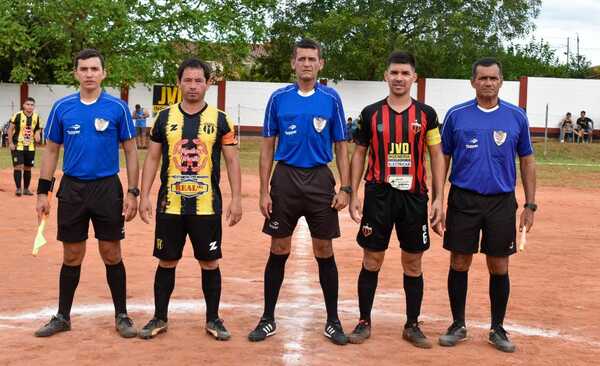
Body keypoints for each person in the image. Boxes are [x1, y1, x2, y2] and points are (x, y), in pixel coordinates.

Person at [247, 38, 351, 345]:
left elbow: (341, 147)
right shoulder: (278, 98)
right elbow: (267, 147)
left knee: (324, 250)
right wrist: (264, 190)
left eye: (312, 59)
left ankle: (333, 320)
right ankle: (268, 318)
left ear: (321, 64)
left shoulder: (331, 99)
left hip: (320, 179)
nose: (307, 64)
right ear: (293, 63)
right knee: (278, 248)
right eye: (302, 59)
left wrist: (344, 187)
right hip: (286, 179)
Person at [34, 48, 139, 338]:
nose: (89, 74)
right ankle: (62, 316)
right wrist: (43, 192)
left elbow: (131, 150)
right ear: (75, 73)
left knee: (111, 252)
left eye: (95, 69)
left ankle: (122, 315)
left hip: (107, 188)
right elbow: (51, 150)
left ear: (104, 73)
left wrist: (132, 191)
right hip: (73, 189)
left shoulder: (117, 108)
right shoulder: (62, 107)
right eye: (84, 69)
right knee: (72, 255)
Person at [137, 58, 242, 340]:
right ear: (179, 82)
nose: (193, 86)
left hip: (207, 207)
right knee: (166, 261)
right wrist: (144, 195)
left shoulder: (221, 119)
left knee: (210, 262)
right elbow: (152, 158)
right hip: (169, 205)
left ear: (208, 83)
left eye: (199, 81)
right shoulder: (164, 118)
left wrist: (236, 199)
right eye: (188, 80)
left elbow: (232, 162)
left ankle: (213, 319)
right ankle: (159, 317)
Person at [346, 51, 445, 348]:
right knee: (371, 258)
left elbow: (436, 155)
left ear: (414, 77)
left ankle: (412, 324)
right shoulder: (370, 113)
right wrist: (353, 192)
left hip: (414, 197)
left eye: (405, 73)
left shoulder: (426, 115)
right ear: (386, 76)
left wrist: (440, 196)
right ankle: (364, 321)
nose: (399, 78)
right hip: (378, 195)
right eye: (394, 73)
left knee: (413, 262)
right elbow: (360, 153)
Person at [439, 58, 536, 353]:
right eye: (482, 78)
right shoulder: (456, 115)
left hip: (501, 201)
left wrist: (530, 205)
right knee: (459, 262)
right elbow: (443, 157)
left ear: (501, 81)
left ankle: (497, 328)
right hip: (463, 198)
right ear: (473, 82)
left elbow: (527, 161)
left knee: (499, 265)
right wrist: (437, 199)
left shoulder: (516, 117)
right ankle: (458, 325)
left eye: (493, 78)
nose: (488, 83)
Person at [8, 97, 42, 196]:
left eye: (32, 105)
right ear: (24, 105)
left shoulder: (37, 117)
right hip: (17, 146)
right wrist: (10, 143)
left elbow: (38, 129)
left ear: (34, 106)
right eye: (28, 104)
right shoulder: (17, 115)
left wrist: (37, 134)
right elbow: (10, 129)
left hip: (31, 147)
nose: (30, 107)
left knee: (28, 168)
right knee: (18, 166)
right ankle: (18, 189)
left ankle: (26, 189)